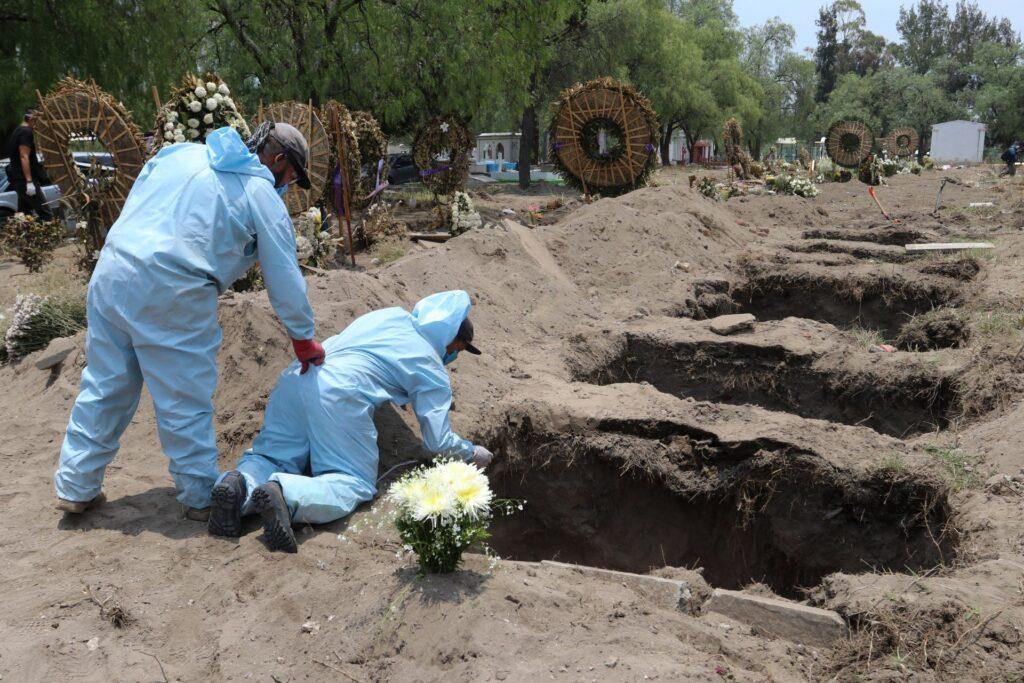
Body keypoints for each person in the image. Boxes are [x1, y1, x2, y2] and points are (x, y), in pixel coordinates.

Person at [54, 122, 326, 520]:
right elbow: (284, 277)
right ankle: (200, 495)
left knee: (105, 384)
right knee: (183, 397)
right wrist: (303, 338)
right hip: (172, 289)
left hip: (113, 272)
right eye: (291, 177)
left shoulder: (182, 153)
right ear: (279, 159)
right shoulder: (258, 192)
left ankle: (76, 486)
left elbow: (140, 199)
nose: (287, 186)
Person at [208, 290, 494, 553]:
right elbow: (438, 441)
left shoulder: (391, 316)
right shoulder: (431, 366)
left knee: (272, 455)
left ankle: (238, 485)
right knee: (352, 481)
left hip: (300, 374)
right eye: (459, 348)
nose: (455, 356)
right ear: (452, 339)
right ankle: (285, 492)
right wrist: (471, 453)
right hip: (339, 392)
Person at [3, 107, 52, 219]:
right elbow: (24, 156)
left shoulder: (17, 131)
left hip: (18, 180)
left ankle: (21, 235)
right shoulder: (26, 132)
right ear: (31, 119)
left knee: (24, 215)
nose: (37, 124)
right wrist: (29, 182)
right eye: (36, 121)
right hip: (25, 181)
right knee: (46, 214)